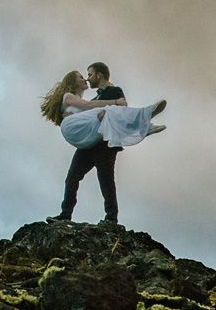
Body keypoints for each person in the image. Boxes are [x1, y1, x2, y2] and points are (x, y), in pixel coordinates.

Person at [40, 63, 166, 223]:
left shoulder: (113, 91)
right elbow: (89, 107)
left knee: (105, 179)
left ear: (99, 75)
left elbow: (122, 107)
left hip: (103, 142)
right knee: (72, 177)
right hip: (89, 141)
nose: (86, 78)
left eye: (89, 74)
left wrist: (109, 107)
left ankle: (111, 218)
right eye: (82, 76)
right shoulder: (85, 98)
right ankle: (65, 215)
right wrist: (108, 106)